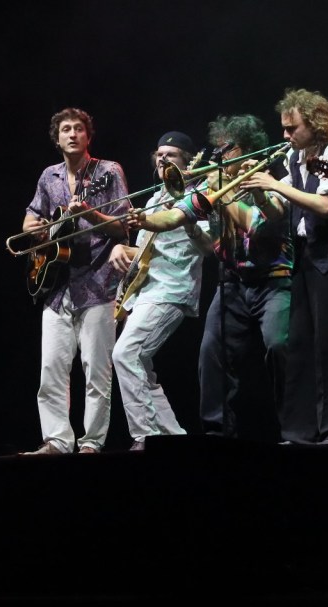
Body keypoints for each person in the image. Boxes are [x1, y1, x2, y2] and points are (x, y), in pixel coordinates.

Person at [124, 116, 291, 442]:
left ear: (244, 150)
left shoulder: (269, 183)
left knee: (278, 348)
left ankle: (295, 429)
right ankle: (217, 434)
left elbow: (255, 227)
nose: (218, 155)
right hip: (232, 282)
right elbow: (173, 215)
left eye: (226, 149)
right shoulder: (213, 186)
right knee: (210, 356)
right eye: (217, 148)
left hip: (273, 279)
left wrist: (218, 190)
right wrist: (143, 219)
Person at [240, 89, 328, 444]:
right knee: (301, 347)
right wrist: (261, 189)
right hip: (306, 257)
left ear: (315, 122)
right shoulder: (296, 156)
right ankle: (300, 431)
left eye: (292, 128)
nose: (285, 135)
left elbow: (324, 207)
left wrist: (274, 183)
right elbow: (282, 210)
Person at [20, 107, 131, 455]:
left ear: (88, 136)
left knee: (96, 370)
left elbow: (124, 225)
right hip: (56, 287)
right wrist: (37, 231)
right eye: (65, 129)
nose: (72, 134)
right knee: (51, 369)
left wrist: (91, 214)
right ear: (57, 138)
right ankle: (56, 440)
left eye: (78, 129)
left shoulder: (108, 172)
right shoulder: (49, 176)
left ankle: (92, 442)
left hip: (98, 282)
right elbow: (29, 221)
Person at [108, 131, 209, 451]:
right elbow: (143, 254)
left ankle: (144, 435)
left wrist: (189, 219)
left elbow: (208, 246)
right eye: (159, 153)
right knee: (142, 368)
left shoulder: (201, 194)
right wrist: (120, 250)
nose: (163, 158)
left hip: (173, 288)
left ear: (188, 162)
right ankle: (172, 436)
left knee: (126, 354)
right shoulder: (154, 199)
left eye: (172, 155)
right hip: (147, 290)